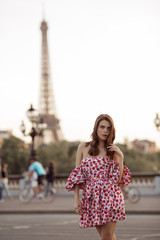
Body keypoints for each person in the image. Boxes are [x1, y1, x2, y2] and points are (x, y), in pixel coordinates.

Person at [66, 114, 131, 240]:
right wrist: (76, 199)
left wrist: (121, 157)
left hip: (111, 196)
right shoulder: (83, 147)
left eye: (108, 128)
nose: (105, 131)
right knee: (107, 236)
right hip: (92, 198)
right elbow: (77, 176)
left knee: (106, 237)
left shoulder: (112, 150)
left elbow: (118, 179)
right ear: (96, 128)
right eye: (102, 127)